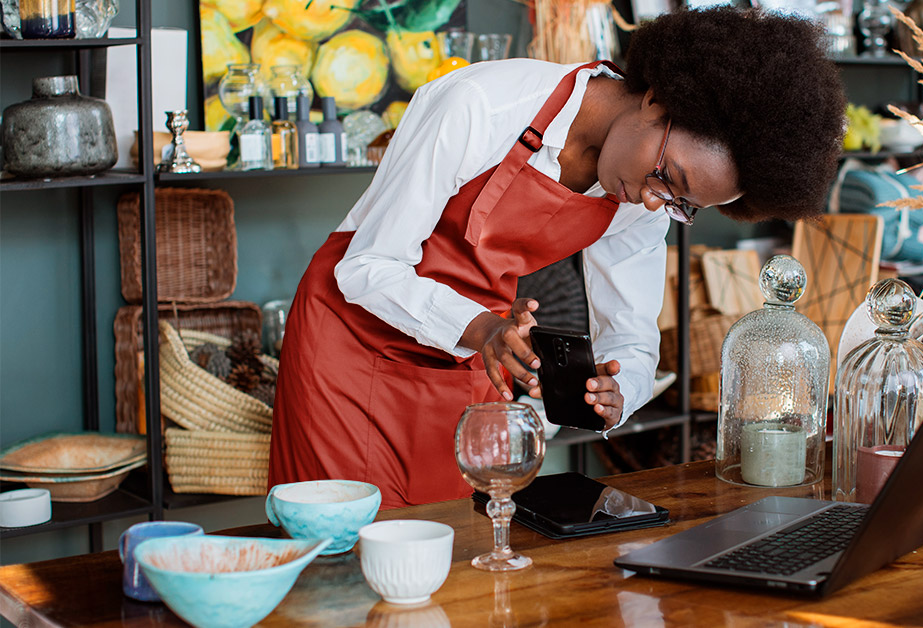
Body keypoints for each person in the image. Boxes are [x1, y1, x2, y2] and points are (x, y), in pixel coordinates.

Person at [268, 6, 846, 509]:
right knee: (342, 554)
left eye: (680, 203)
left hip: (470, 359)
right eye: (668, 177)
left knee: (450, 553)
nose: (654, 199)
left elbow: (632, 337)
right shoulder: (483, 105)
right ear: (657, 100)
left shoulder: (643, 199)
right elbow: (367, 267)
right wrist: (483, 326)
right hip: (349, 343)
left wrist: (617, 394)